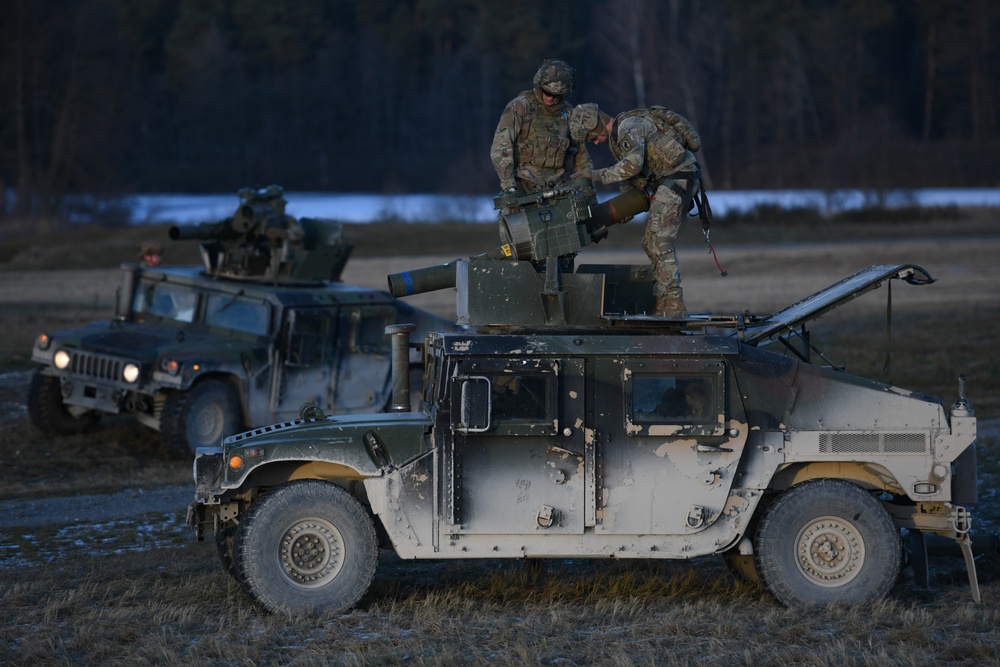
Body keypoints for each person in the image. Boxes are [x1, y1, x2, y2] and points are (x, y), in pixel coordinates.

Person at [570, 103, 702, 318]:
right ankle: (663, 303)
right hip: (669, 180)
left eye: (592, 136)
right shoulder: (619, 137)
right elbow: (632, 177)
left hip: (678, 178)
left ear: (599, 125)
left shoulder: (628, 127)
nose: (594, 141)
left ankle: (674, 304)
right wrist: (625, 205)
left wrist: (594, 175)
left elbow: (632, 165)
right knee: (650, 242)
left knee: (660, 241)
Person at [490, 59, 594, 196]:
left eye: (555, 95)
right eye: (546, 92)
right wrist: (509, 186)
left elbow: (582, 158)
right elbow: (501, 147)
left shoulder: (569, 114)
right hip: (523, 187)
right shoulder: (520, 107)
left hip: (557, 189)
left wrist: (588, 193)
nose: (550, 98)